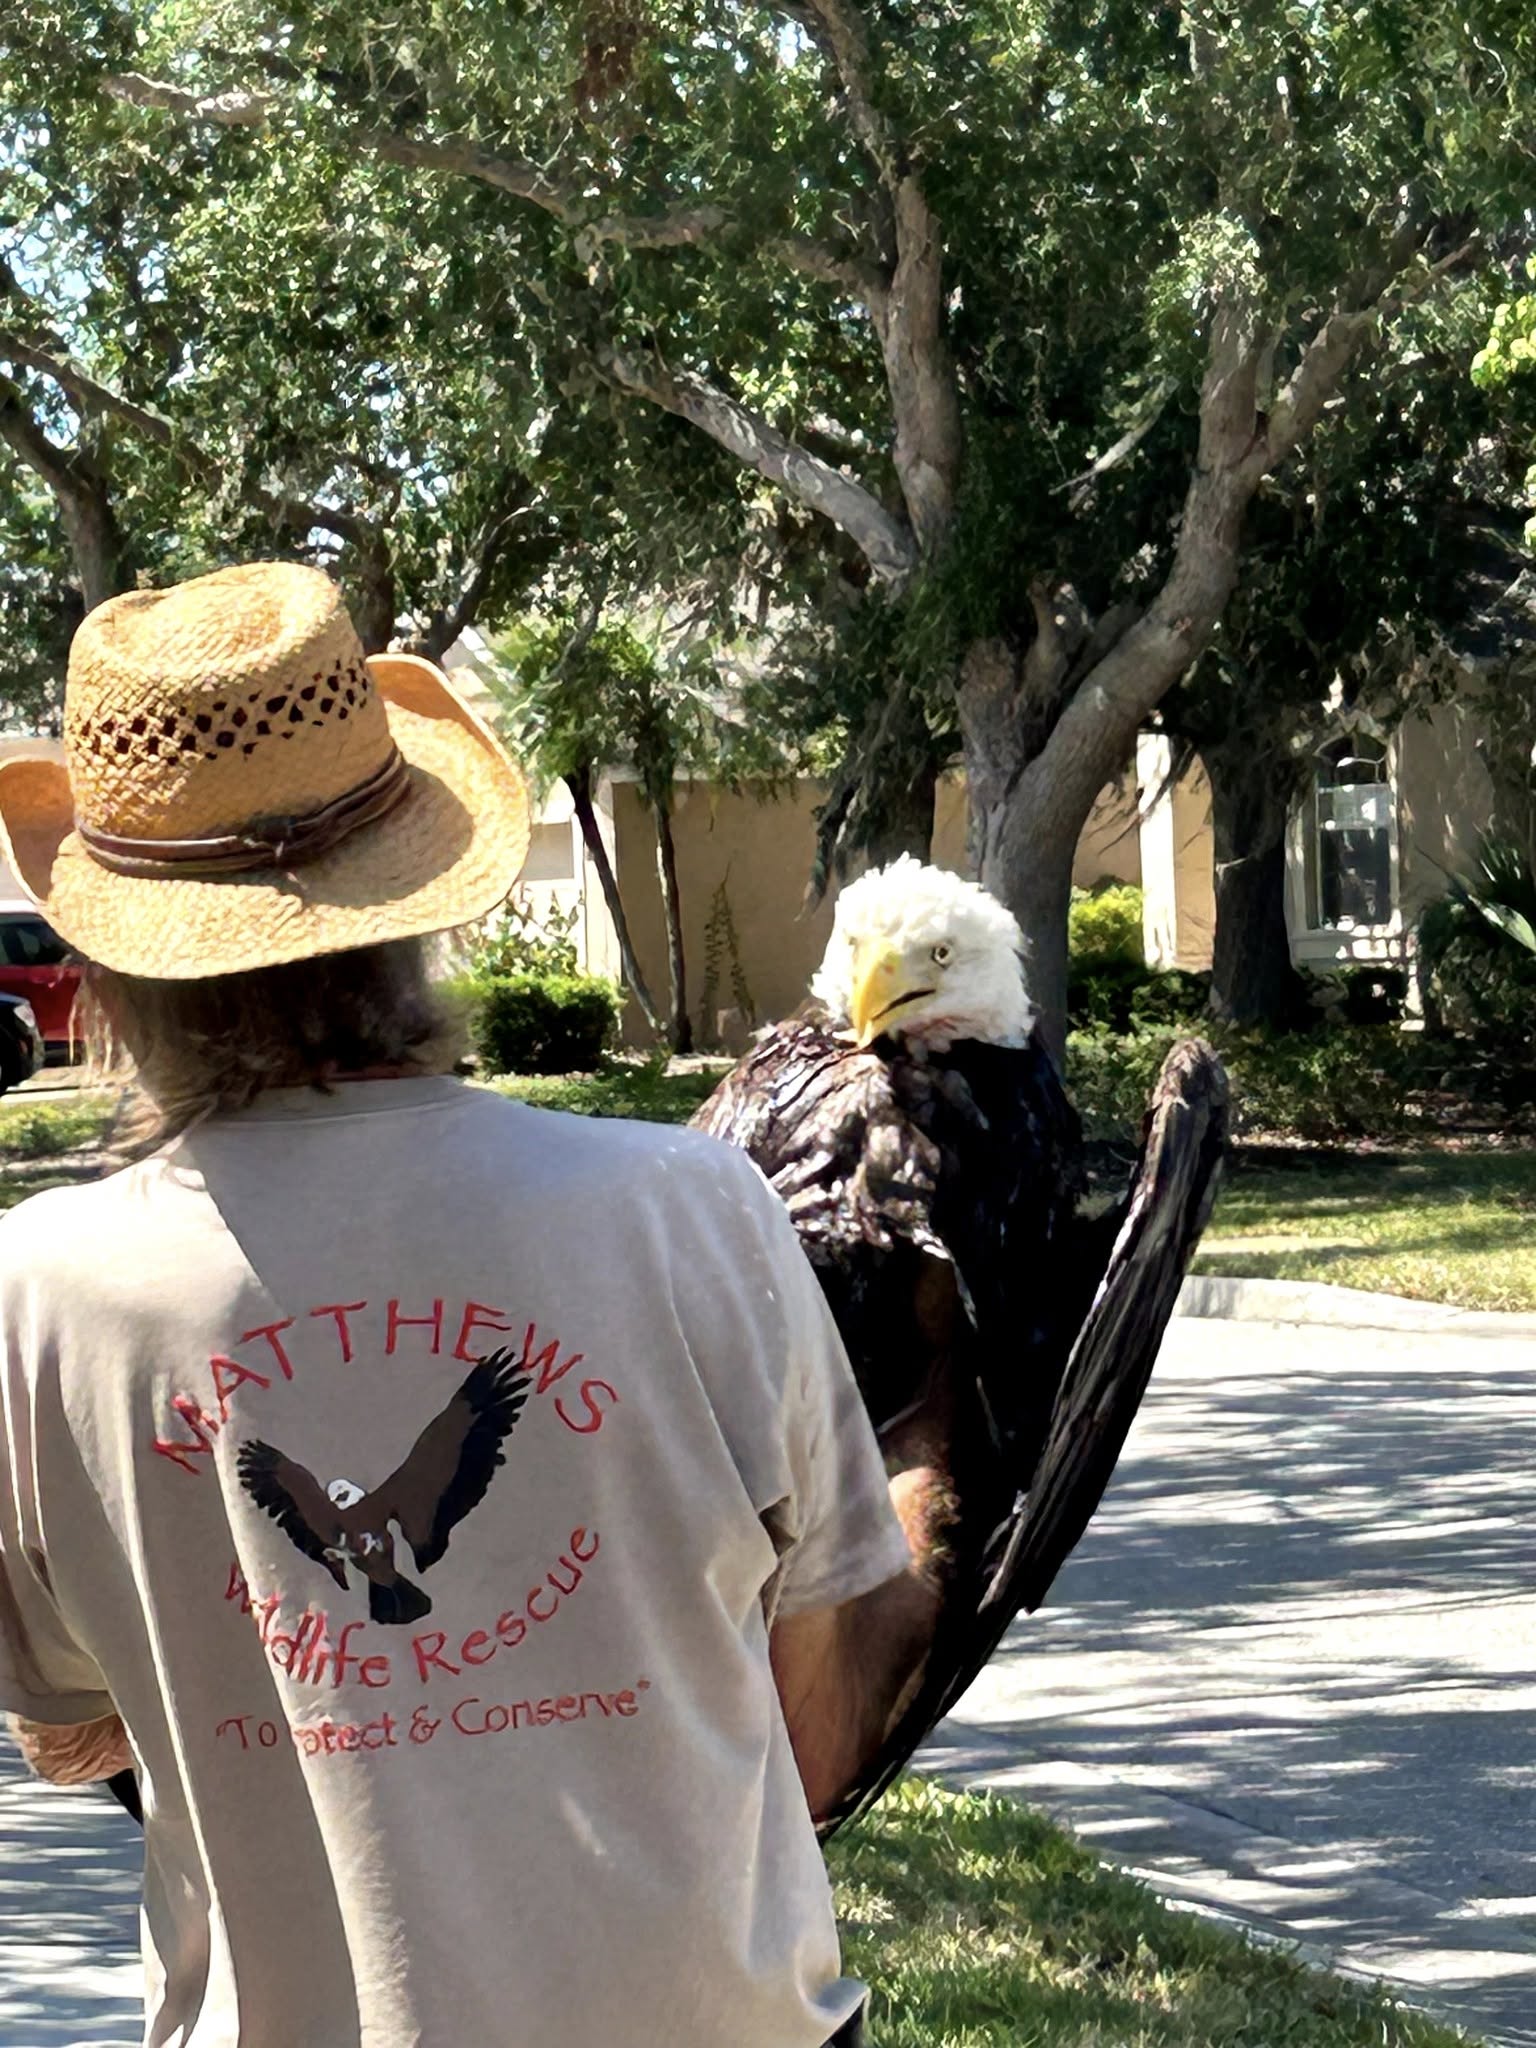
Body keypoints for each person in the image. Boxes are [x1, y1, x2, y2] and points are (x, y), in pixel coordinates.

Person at [0, 564, 939, 2047]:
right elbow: (845, 1616)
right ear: (414, 902)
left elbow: (65, 1722)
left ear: (108, 969)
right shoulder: (685, 1212)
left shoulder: (42, 1298)